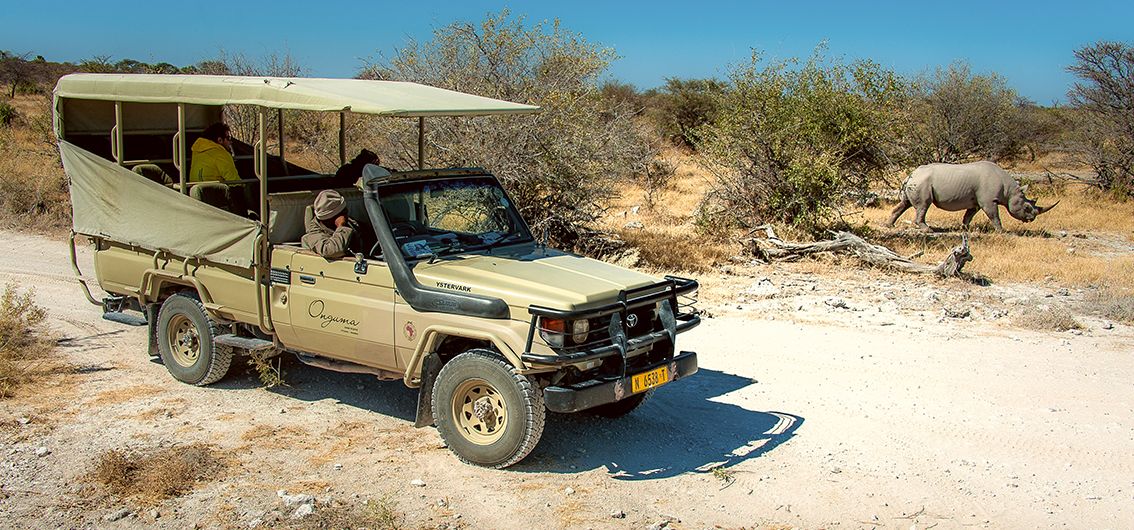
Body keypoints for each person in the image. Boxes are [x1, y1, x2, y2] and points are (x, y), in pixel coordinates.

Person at [302, 189, 361, 259]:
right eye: (342, 213)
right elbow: (330, 251)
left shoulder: (351, 223)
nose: (345, 216)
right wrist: (341, 226)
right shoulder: (314, 234)